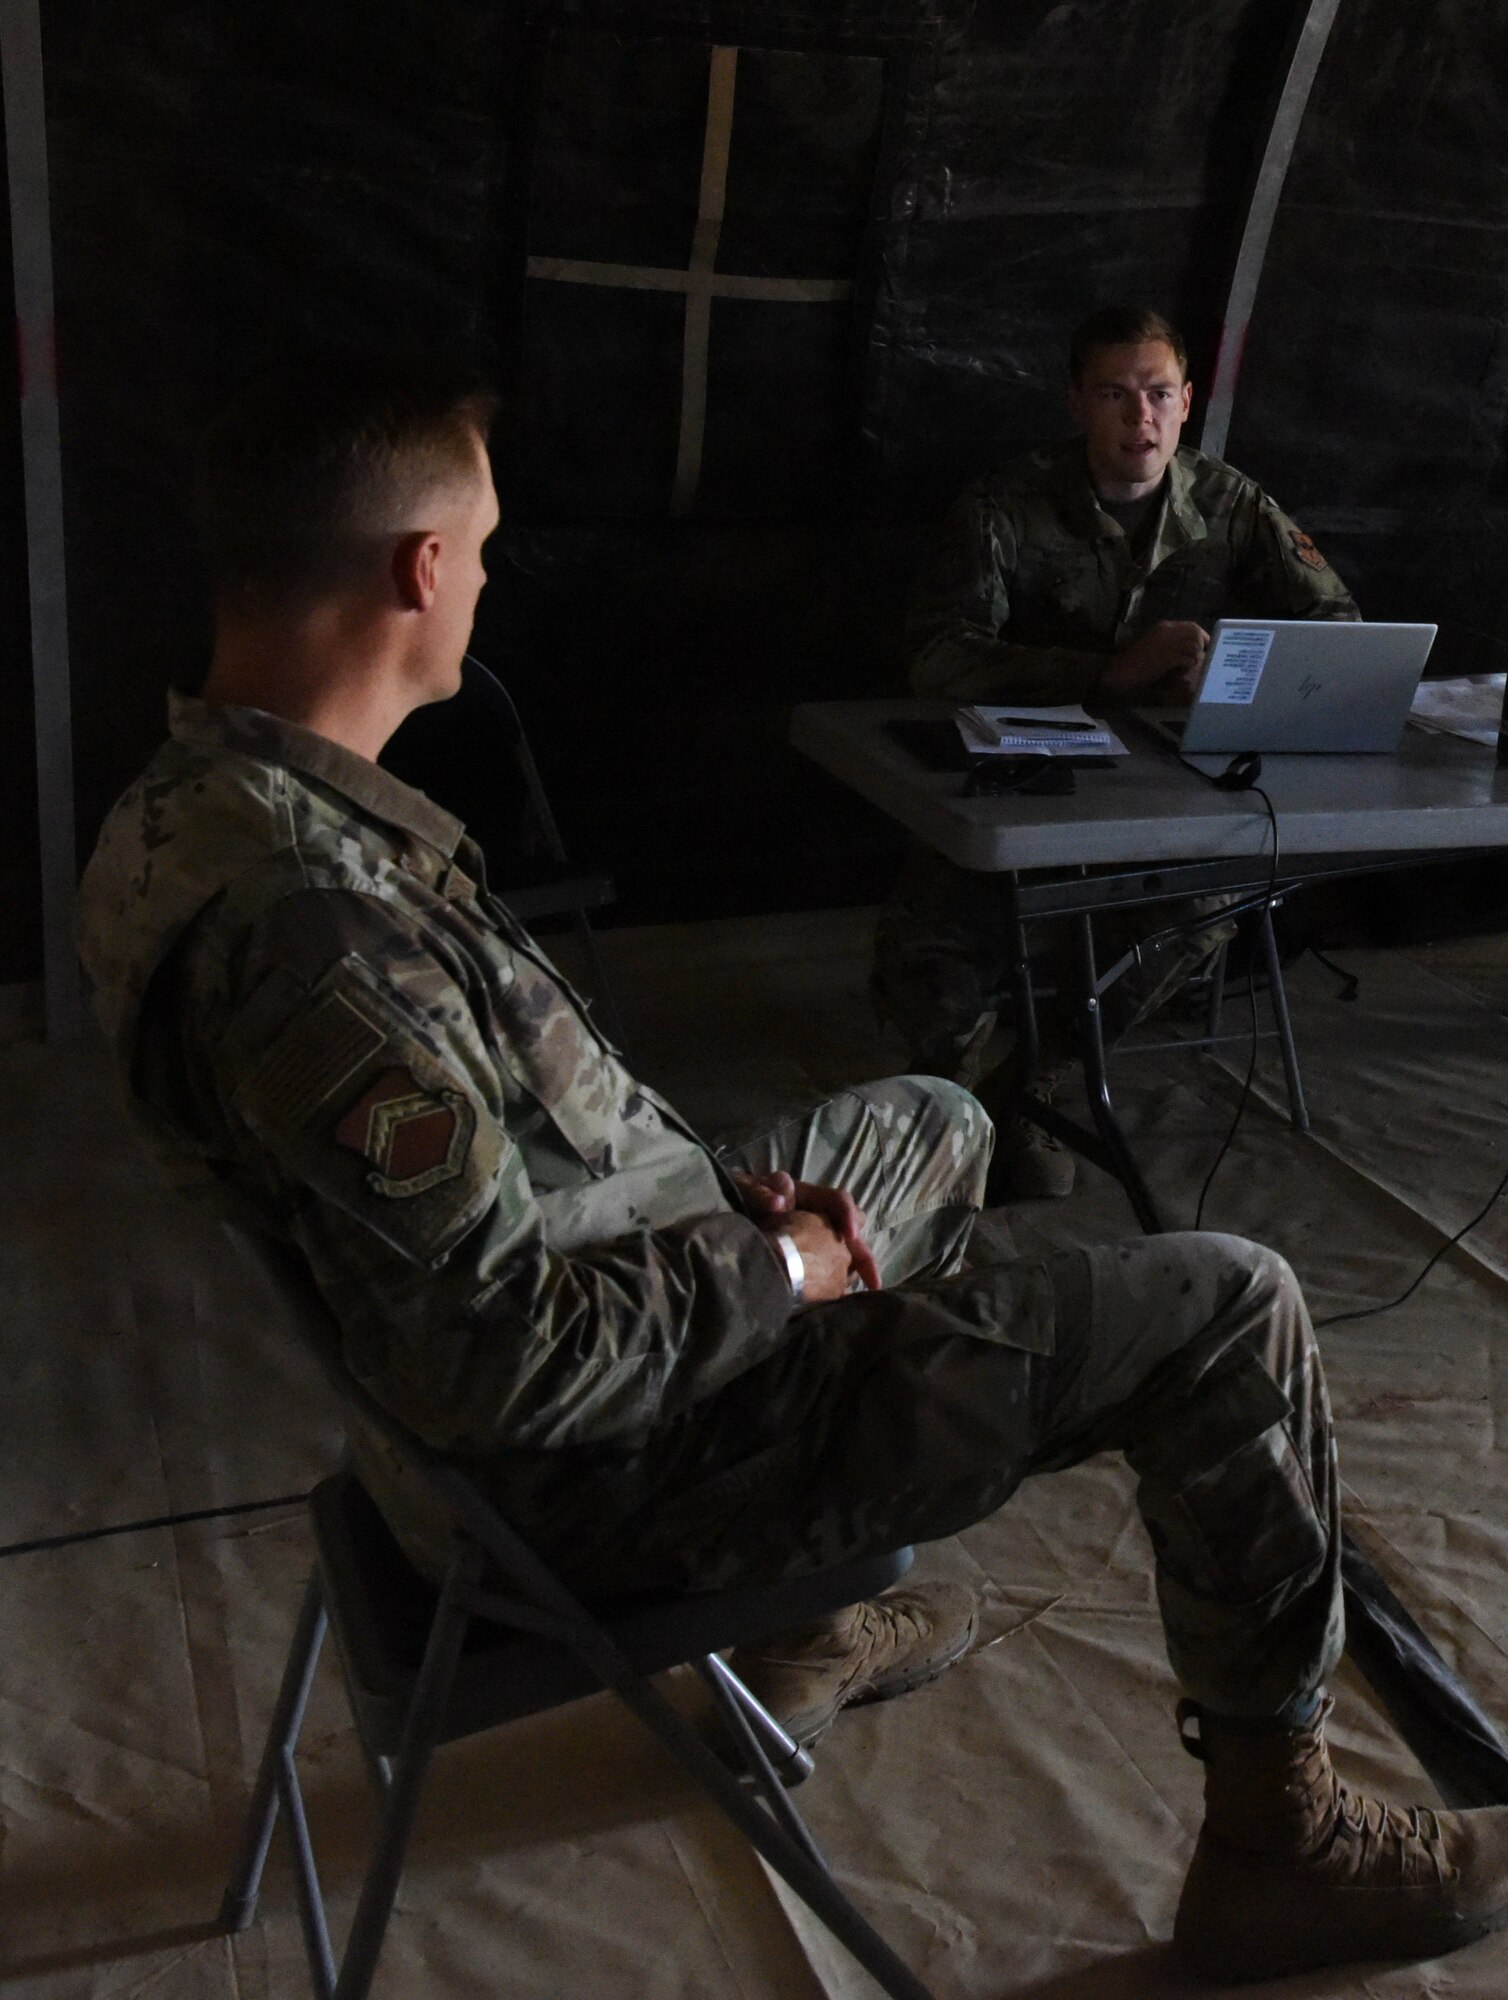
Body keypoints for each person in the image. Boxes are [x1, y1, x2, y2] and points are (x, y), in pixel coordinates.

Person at [76, 363, 1508, 1984]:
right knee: (1225, 1306)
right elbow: (493, 1360)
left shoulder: (194, 809)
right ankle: (1280, 1849)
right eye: (476, 546)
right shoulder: (309, 932)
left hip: (608, 1304)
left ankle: (798, 1619)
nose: (481, 576)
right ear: (416, 570)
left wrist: (729, 1222)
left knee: (934, 1123)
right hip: (610, 1466)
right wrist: (774, 1278)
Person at [873, 305, 1359, 1199]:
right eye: (1116, 394)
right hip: (1027, 778)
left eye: (1160, 395)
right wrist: (1108, 673)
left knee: (1205, 902)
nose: (1141, 418)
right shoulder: (1004, 504)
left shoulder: (1229, 502)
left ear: (1185, 406)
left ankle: (1034, 1091)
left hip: (1165, 780)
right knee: (933, 964)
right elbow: (941, 655)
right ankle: (959, 1105)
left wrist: (1229, 682)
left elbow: (1336, 629)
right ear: (1076, 404)